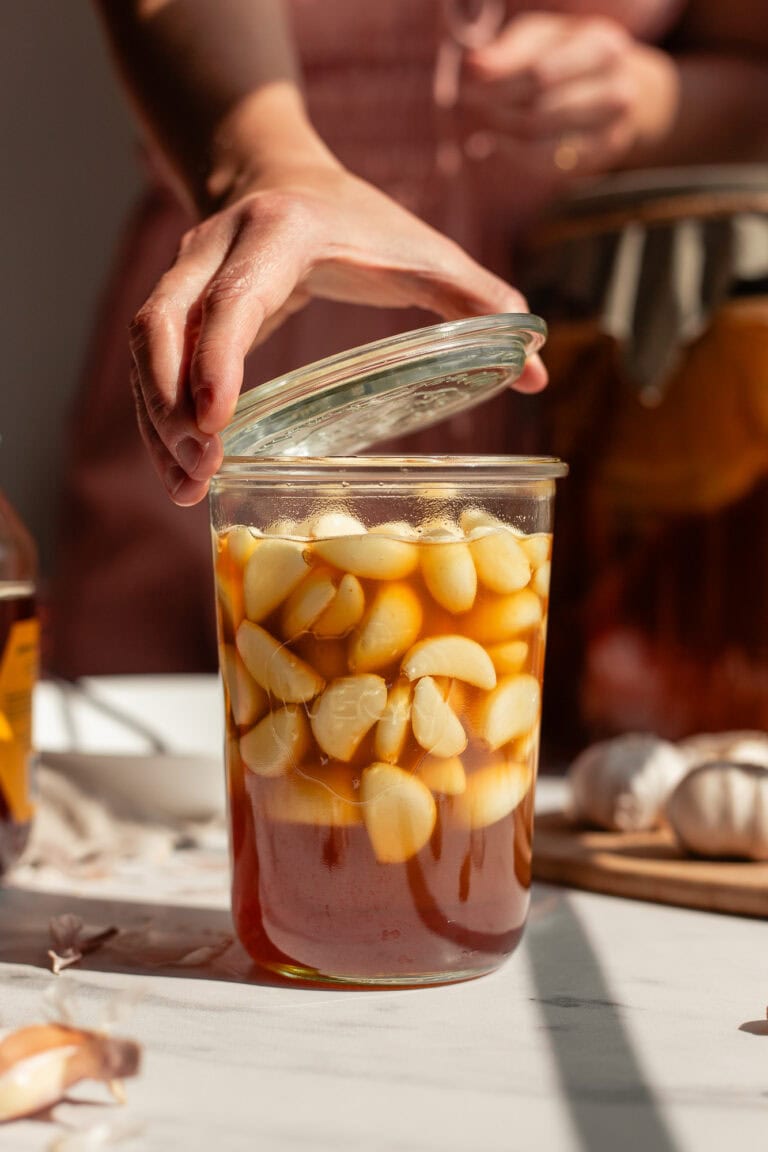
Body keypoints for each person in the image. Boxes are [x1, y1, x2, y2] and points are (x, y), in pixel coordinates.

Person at [49, 0, 768, 677]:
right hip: (256, 309)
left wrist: (650, 99)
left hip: (599, 384)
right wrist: (269, 164)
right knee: (149, 753)